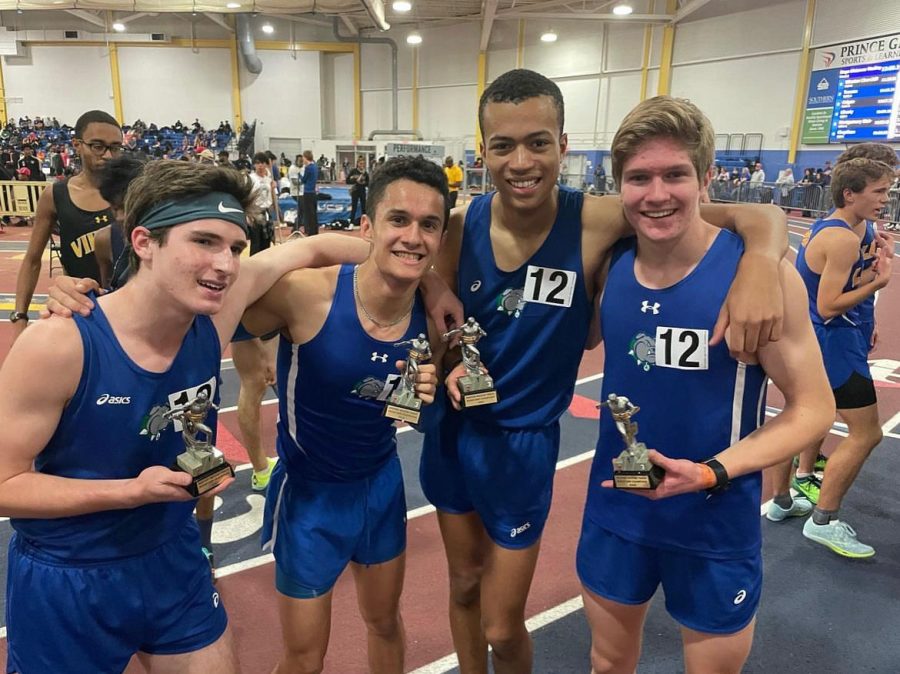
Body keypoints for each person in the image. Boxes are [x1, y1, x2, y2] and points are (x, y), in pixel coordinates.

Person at [419, 68, 788, 674]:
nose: (521, 161)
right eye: (503, 145)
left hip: (525, 442)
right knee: (462, 586)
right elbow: (442, 319)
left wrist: (762, 263)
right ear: (481, 149)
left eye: (538, 142)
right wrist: (442, 318)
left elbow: (748, 216)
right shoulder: (462, 226)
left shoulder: (598, 218)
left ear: (564, 146)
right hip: (456, 436)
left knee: (502, 622)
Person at [0, 159, 403, 673]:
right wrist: (130, 492)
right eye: (204, 242)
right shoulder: (61, 343)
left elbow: (312, 248)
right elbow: (5, 483)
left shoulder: (211, 319)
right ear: (144, 242)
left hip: (173, 559)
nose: (227, 264)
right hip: (71, 575)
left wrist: (428, 284)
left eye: (235, 247)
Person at [576, 94, 833, 674]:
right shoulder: (611, 265)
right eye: (639, 178)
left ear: (707, 177)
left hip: (715, 521)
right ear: (620, 186)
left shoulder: (758, 276)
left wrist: (714, 470)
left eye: (675, 174)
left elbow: (814, 409)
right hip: (617, 509)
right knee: (607, 663)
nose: (657, 194)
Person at [243, 156, 449, 674]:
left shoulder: (437, 316)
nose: (413, 236)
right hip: (311, 498)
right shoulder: (306, 293)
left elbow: (430, 414)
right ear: (367, 228)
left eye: (429, 225)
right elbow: (210, 314)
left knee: (384, 623)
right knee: (305, 657)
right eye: (398, 220)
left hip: (380, 486)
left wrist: (431, 395)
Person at [769, 156, 894, 558]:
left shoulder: (852, 226)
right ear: (850, 193)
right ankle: (823, 521)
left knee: (805, 419)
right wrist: (882, 280)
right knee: (866, 433)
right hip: (831, 340)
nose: (886, 199)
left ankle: (782, 502)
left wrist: (868, 310)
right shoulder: (840, 238)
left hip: (825, 338)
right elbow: (827, 305)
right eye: (879, 191)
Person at [12, 110, 121, 342]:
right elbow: (32, 260)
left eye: (115, 147)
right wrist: (19, 316)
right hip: (80, 309)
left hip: (126, 309)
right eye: (98, 146)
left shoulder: (134, 190)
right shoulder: (56, 194)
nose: (109, 156)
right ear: (77, 145)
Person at [249, 151, 280, 254]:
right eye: (257, 163)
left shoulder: (269, 180)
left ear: (266, 164)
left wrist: (273, 187)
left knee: (266, 242)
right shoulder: (251, 179)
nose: (260, 165)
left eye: (262, 163)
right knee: (256, 242)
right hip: (255, 213)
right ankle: (253, 266)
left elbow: (273, 197)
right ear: (254, 165)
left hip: (266, 212)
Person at [300, 150, 319, 236]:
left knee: (308, 213)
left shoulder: (308, 168)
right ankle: (315, 230)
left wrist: (299, 175)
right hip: (313, 192)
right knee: (313, 213)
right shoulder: (315, 166)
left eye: (303, 157)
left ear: (306, 157)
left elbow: (303, 180)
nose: (302, 159)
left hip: (308, 192)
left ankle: (311, 232)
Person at [346, 156, 370, 228]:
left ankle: (365, 223)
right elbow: (347, 181)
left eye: (363, 164)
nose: (362, 165)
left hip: (362, 190)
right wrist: (355, 181)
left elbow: (368, 183)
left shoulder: (365, 173)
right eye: (360, 163)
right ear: (357, 164)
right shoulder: (353, 171)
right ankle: (351, 222)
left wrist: (363, 183)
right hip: (355, 191)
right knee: (354, 207)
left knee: (364, 207)